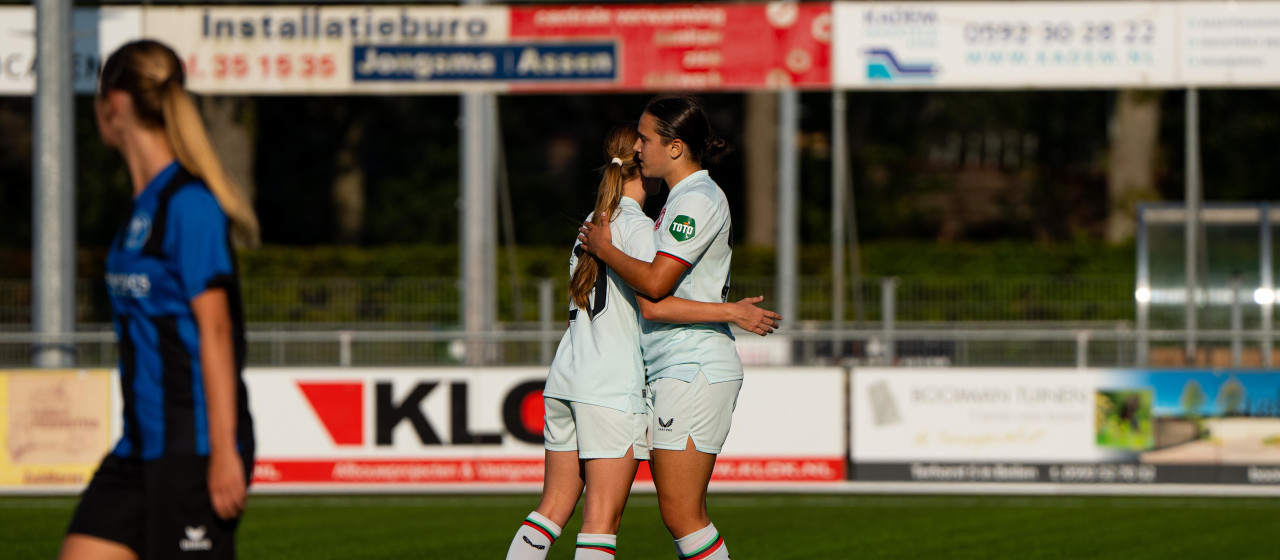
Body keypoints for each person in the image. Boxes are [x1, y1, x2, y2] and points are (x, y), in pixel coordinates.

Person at [507, 122, 778, 560]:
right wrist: (732, 311)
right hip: (609, 387)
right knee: (600, 521)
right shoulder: (637, 229)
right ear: (643, 166)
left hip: (566, 376)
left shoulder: (593, 224)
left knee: (550, 510)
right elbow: (654, 297)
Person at [59, 40, 258, 560]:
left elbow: (214, 333)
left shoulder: (190, 204)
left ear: (116, 105)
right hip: (139, 447)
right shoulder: (139, 210)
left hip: (191, 450)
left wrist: (223, 452)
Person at [579, 96, 751, 560]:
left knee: (683, 515)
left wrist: (605, 248)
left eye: (645, 138)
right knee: (679, 515)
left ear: (675, 148)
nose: (636, 148)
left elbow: (654, 288)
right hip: (677, 367)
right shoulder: (681, 199)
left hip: (693, 368)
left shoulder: (696, 199)